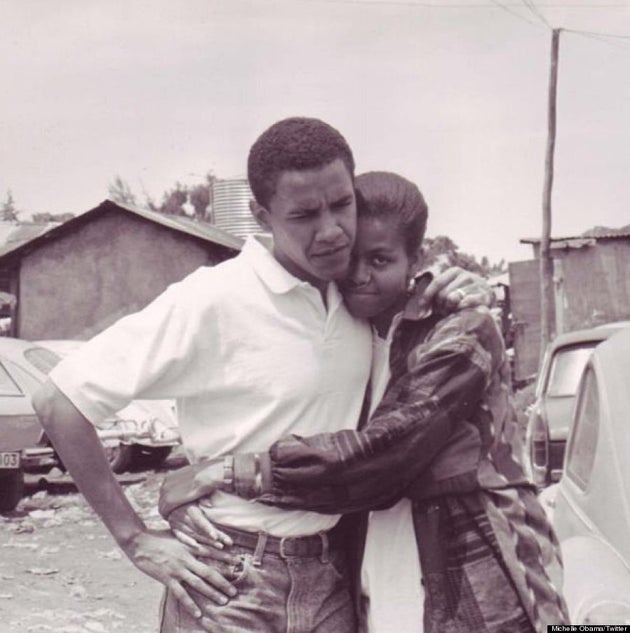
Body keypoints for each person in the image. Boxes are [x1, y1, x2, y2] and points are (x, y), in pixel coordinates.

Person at [32, 118, 488, 633]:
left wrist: (457, 287)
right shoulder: (214, 298)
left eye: (342, 204)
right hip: (230, 578)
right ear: (261, 216)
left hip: (336, 575)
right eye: (305, 215)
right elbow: (58, 400)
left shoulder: (356, 294)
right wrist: (135, 540)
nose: (332, 230)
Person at [160, 171, 569, 633]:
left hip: (474, 557)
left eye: (380, 259)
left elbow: (382, 457)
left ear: (415, 259)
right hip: (375, 561)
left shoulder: (459, 329)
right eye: (350, 258)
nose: (359, 275)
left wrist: (222, 472)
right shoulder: (345, 332)